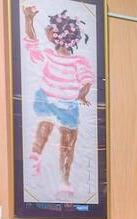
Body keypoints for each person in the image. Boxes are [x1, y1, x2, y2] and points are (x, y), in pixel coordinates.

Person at [23, 5, 93, 200]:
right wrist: (82, 95)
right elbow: (87, 82)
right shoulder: (80, 61)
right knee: (67, 143)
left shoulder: (49, 54)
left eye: (50, 29)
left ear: (56, 35)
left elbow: (32, 41)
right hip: (65, 103)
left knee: (45, 127)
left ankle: (36, 155)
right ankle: (64, 180)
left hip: (48, 98)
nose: (47, 31)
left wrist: (29, 20)